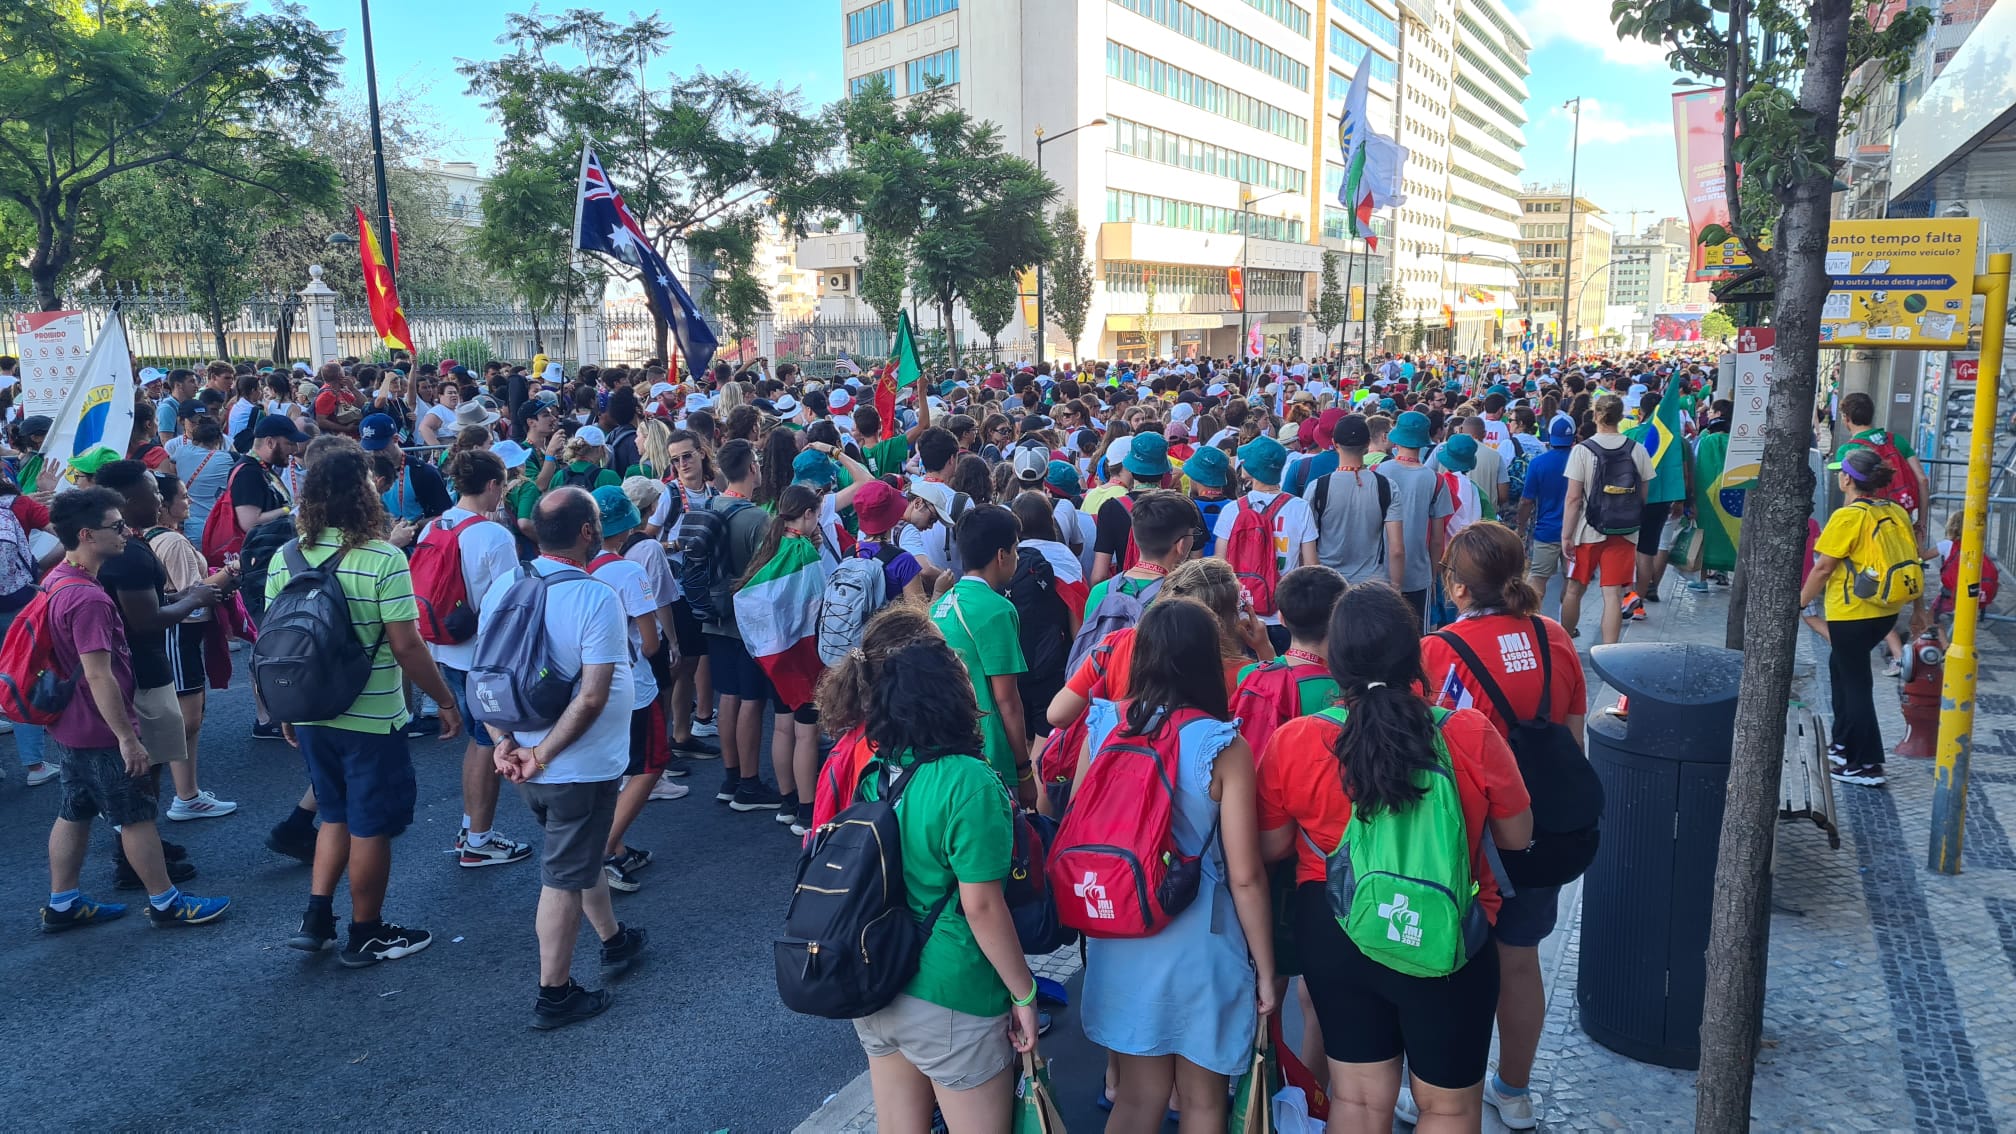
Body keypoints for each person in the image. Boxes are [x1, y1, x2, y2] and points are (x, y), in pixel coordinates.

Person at [1257, 582, 1533, 1132]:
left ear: (1336, 660)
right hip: (1448, 930)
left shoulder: (1295, 741)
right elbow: (1518, 836)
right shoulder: (1469, 733)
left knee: (1357, 1101)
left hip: (1337, 928)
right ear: (1418, 655)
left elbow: (1272, 847)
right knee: (1449, 1108)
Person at [1074, 598, 1277, 1132]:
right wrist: (1266, 967)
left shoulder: (1101, 726)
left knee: (1137, 1097)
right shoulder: (1220, 743)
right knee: (1204, 1100)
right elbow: (1245, 874)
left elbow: (1079, 825)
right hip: (1199, 938)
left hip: (1119, 931)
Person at [267, 441, 464, 965]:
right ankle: (366, 931)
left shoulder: (285, 557)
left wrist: (283, 706)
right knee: (371, 825)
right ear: (364, 493)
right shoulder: (383, 558)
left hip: (309, 708)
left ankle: (316, 916)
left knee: (332, 814)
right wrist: (444, 700)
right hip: (372, 713)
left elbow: (274, 640)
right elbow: (406, 645)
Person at [1418, 523, 1588, 1130]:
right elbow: (1572, 738)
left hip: (1466, 840)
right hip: (1542, 833)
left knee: (1447, 962)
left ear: (1459, 588)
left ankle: (1438, 1092)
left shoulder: (1438, 650)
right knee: (1521, 962)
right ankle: (1513, 1092)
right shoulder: (1553, 637)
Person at [843, 638, 1039, 1131]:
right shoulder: (969, 781)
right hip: (954, 993)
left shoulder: (876, 772)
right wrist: (1023, 993)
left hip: (879, 984)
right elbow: (982, 907)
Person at [486, 487, 648, 1027]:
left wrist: (503, 740)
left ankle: (614, 937)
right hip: (572, 764)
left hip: (526, 754)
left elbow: (487, 673)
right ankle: (554, 993)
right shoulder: (594, 595)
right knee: (561, 874)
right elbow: (594, 693)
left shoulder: (507, 583)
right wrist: (539, 752)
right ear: (587, 532)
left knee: (577, 856)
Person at [38, 487, 233, 931]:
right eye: (115, 526)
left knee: (75, 808)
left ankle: (63, 901)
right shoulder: (86, 597)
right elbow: (99, 674)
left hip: (72, 724)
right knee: (137, 815)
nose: (125, 531)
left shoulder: (57, 580)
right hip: (102, 727)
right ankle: (166, 903)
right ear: (87, 534)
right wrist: (127, 736)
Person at [93, 461, 233, 866]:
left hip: (135, 667)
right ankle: (135, 859)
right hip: (140, 672)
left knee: (144, 769)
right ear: (126, 500)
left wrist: (186, 595)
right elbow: (145, 619)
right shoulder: (130, 553)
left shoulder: (129, 547)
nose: (160, 498)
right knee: (143, 769)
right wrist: (196, 598)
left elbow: (146, 605)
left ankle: (142, 846)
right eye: (152, 491)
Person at [424, 450, 536, 870]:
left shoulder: (433, 525)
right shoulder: (493, 536)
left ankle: (472, 828)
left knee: (478, 740)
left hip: (444, 647)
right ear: (492, 484)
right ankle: (479, 838)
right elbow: (509, 604)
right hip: (483, 656)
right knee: (491, 743)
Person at [1803, 446, 1915, 789]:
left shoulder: (1848, 516)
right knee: (1841, 670)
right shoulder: (1893, 510)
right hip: (1885, 612)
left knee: (1857, 686)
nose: (1838, 474)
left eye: (1841, 471)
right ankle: (1842, 744)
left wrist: (1800, 602)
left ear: (1848, 479)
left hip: (1853, 613)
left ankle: (1865, 764)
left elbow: (1823, 568)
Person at [929, 504, 1035, 808]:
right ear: (1002, 555)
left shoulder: (942, 604)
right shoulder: (998, 610)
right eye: (1015, 549)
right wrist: (1024, 773)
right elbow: (1008, 701)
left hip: (946, 746)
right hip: (990, 753)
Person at [148, 474, 239, 822]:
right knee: (185, 721)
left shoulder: (159, 537)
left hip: (179, 633)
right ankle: (172, 796)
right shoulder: (171, 540)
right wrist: (231, 572)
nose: (188, 501)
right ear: (164, 504)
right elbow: (192, 594)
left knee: (188, 719)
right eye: (183, 496)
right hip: (179, 633)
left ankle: (188, 795)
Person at [701, 439, 786, 811]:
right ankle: (749, 785)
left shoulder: (709, 506)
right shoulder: (758, 518)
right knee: (752, 701)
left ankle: (732, 776)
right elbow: (770, 575)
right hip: (748, 623)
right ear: (752, 467)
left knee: (729, 698)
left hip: (714, 616)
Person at [1216, 435, 1320, 654]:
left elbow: (1219, 566)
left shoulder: (1232, 510)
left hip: (1242, 617)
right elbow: (1311, 567)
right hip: (1285, 615)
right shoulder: (1300, 508)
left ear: (1252, 470)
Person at [1560, 395, 1651, 645]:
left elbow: (1573, 499)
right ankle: (1610, 651)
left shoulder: (1582, 450)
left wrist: (1566, 535)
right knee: (1612, 595)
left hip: (1587, 530)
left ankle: (1565, 643)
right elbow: (1644, 494)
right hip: (1624, 531)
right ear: (1622, 417)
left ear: (1595, 415)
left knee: (1574, 589)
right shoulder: (1637, 449)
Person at [1308, 414, 1405, 588]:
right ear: (1368, 444)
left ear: (1335, 444)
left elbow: (1307, 543)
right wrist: (1396, 587)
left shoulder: (1318, 487)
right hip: (1373, 585)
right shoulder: (1387, 486)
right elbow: (1396, 549)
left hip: (1329, 585)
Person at [1376, 411, 1455, 624]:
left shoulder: (1378, 471)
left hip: (1380, 572)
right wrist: (1432, 575)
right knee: (1417, 637)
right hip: (1418, 574)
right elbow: (1437, 539)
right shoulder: (1435, 480)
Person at [1515, 418, 1578, 590]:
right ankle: (1565, 618)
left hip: (1546, 531)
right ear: (1574, 436)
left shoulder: (1538, 463)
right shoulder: (1581, 461)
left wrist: (1521, 527)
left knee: (1537, 580)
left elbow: (1526, 501)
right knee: (1572, 584)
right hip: (1576, 532)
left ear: (1550, 436)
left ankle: (1531, 616)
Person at [361, 413, 453, 526]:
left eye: (380, 448)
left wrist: (414, 526)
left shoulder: (423, 472)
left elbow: (445, 515)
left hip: (416, 541)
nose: (375, 454)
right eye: (370, 449)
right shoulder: (363, 472)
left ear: (395, 439)